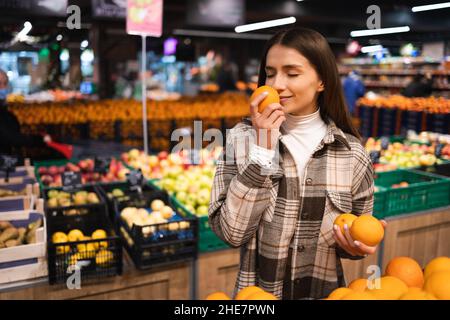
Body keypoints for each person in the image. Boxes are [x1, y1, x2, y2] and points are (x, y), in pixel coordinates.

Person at [208, 28, 386, 300]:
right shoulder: (242, 140)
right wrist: (263, 149)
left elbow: (357, 232)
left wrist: (354, 246)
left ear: (322, 81)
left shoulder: (351, 153)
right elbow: (233, 233)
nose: (277, 84)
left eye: (292, 73)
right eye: (270, 73)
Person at [0, 69, 51, 157]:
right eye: (0, 84)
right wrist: (40, 140)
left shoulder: (4, 108)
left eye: (5, 83)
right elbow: (10, 137)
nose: (3, 88)